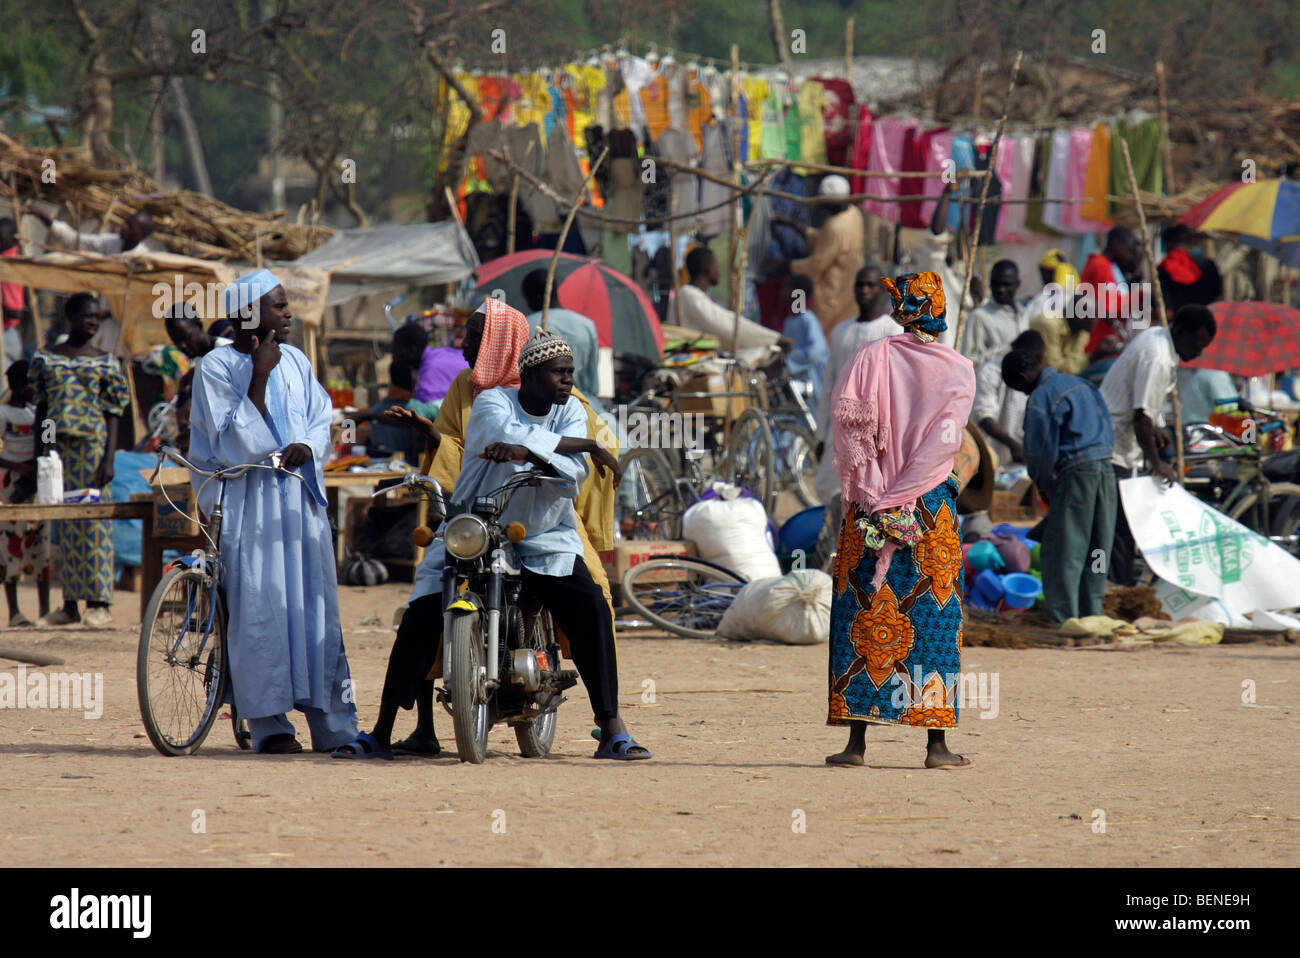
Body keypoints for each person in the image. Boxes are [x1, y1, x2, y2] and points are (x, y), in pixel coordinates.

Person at [335, 330, 649, 760]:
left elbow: (572, 473)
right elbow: (501, 434)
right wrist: (574, 446)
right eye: (558, 372)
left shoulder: (573, 409)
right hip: (475, 527)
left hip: (545, 534)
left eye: (570, 373)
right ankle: (382, 728)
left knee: (592, 605)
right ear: (529, 374)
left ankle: (611, 726)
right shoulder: (492, 401)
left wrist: (546, 448)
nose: (566, 381)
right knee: (422, 612)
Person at [187, 269, 357, 754]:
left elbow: (320, 416)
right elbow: (232, 442)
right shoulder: (215, 368)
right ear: (248, 315)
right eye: (278, 305)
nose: (288, 313)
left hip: (298, 503)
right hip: (248, 504)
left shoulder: (298, 360)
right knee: (260, 608)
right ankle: (270, 726)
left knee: (310, 608)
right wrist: (259, 372)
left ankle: (333, 727)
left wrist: (306, 444)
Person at [825, 270, 975, 769]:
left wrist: (879, 494)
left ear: (899, 310)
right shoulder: (958, 370)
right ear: (940, 311)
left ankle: (855, 746)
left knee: (864, 619)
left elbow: (850, 436)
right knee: (932, 620)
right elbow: (944, 444)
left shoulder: (868, 359)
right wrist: (906, 493)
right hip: (928, 511)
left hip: (868, 511)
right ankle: (936, 747)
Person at [28, 293, 128, 629]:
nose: (94, 322)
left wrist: (109, 458)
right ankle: (69, 605)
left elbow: (113, 413)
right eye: (88, 316)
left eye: (97, 318)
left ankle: (100, 604)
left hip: (93, 449)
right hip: (58, 449)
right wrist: (42, 450)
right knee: (66, 524)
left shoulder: (106, 362)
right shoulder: (47, 359)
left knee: (95, 523)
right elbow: (44, 409)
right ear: (71, 316)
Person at [1099, 305, 1217, 586]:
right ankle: (1119, 592)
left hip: (1116, 441)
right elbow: (1141, 418)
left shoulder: (1156, 336)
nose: (1198, 353)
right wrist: (1158, 463)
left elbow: (1146, 409)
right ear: (1179, 332)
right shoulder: (1159, 358)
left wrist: (1158, 427)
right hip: (1116, 447)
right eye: (1196, 345)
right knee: (1119, 531)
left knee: (1115, 529)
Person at [1002, 348, 1117, 624]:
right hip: (1106, 470)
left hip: (1077, 474)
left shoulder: (1042, 397)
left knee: (1065, 551)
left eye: (1019, 388)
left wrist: (1043, 484)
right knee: (1098, 547)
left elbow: (1040, 451)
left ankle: (1065, 619)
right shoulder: (1082, 383)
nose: (1024, 394)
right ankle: (1093, 613)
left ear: (1022, 377)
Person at [813, 264, 903, 519]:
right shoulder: (841, 331)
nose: (864, 290)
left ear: (881, 291)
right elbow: (829, 384)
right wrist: (821, 434)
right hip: (840, 429)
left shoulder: (892, 332)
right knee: (833, 492)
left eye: (870, 285)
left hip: (874, 430)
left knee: (872, 496)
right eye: (859, 285)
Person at [671, 247, 790, 364]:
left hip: (699, 355)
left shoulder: (692, 295)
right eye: (716, 266)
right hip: (691, 360)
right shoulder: (688, 295)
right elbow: (725, 324)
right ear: (707, 270)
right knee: (761, 349)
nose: (719, 271)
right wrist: (773, 338)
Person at [0, 361, 51, 625]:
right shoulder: (4, 414)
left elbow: (49, 440)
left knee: (41, 543)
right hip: (13, 483)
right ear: (20, 387)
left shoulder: (39, 414)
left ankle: (44, 611)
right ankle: (15, 613)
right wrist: (19, 467)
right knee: (11, 544)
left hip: (37, 481)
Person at [787, 174, 866, 340]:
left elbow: (818, 263)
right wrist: (803, 230)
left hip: (833, 293)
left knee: (827, 336)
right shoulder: (854, 214)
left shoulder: (835, 226)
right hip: (850, 288)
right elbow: (833, 243)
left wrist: (789, 266)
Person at [919, 182, 984, 349]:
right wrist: (946, 195)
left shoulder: (963, 275)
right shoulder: (934, 274)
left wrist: (978, 298)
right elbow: (936, 236)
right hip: (940, 357)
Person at [520, 268, 601, 401]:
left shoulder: (525, 325)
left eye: (526, 298)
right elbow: (592, 385)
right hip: (585, 403)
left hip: (540, 404)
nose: (527, 304)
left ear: (537, 297)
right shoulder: (587, 325)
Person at [164, 301, 232, 451]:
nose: (182, 346)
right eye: (177, 342)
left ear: (199, 327)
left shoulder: (227, 354)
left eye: (186, 337)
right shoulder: (193, 373)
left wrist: (195, 433)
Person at [972, 329, 1045, 466]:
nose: (1037, 364)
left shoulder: (1037, 378)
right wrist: (1012, 444)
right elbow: (984, 416)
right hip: (989, 456)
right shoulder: (990, 372)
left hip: (1018, 462)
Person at [1081, 226, 1143, 352]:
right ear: (1116, 244)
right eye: (1129, 250)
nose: (1131, 256)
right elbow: (1108, 305)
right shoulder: (1100, 265)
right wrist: (1141, 296)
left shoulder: (1109, 266)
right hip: (1099, 340)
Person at [960, 259, 1028, 369]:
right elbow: (967, 361)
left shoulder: (1023, 313)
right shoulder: (979, 317)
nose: (1001, 289)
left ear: (1017, 284)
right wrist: (1008, 349)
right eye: (996, 284)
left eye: (1006, 284)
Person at [22, 206, 158, 255]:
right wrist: (42, 216)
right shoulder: (111, 243)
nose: (124, 227)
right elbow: (74, 240)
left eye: (131, 227)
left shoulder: (144, 260)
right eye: (127, 222)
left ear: (142, 235)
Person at [781, 273, 828, 401]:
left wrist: (790, 360)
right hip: (797, 380)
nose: (783, 292)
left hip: (813, 379)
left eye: (787, 288)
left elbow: (817, 350)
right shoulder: (789, 320)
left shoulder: (807, 319)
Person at [1158, 224, 1222, 315]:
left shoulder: (1163, 269)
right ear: (1189, 242)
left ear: (1168, 245)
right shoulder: (1208, 264)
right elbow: (1218, 295)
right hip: (1207, 318)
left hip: (1179, 323)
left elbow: (1166, 309)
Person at [1, 218, 26, 368]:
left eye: (1, 239)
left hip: (5, 334)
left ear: (13, 239)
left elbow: (16, 312)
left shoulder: (10, 266)